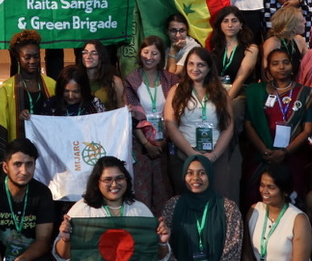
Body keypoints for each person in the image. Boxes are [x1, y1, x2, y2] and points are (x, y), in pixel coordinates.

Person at [241, 48, 312, 204]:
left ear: (292, 65)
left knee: (291, 201)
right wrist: (263, 150)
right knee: (256, 201)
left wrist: (285, 152)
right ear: (268, 69)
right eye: (275, 63)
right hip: (261, 156)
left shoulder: (306, 93)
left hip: (293, 157)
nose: (281, 67)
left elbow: (308, 129)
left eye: (286, 62)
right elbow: (248, 125)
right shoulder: (255, 92)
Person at [164, 48, 235, 199]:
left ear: (209, 67)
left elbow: (228, 126)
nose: (195, 69)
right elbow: (171, 125)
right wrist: (191, 153)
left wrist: (214, 155)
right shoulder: (175, 91)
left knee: (217, 200)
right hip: (185, 155)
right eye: (191, 64)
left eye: (200, 65)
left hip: (216, 155)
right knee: (186, 201)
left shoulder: (221, 92)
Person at [124, 35, 177, 216]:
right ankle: (143, 229)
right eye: (146, 52)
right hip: (140, 144)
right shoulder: (131, 79)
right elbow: (131, 116)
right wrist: (147, 144)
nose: (149, 56)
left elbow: (176, 113)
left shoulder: (171, 80)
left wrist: (164, 141)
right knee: (142, 191)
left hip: (166, 142)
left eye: (154, 53)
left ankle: (165, 235)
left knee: (165, 189)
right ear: (140, 53)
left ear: (161, 56)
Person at [0, 30, 56, 141]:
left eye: (36, 56)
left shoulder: (52, 85)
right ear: (18, 58)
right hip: (19, 147)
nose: (33, 61)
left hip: (47, 145)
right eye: (27, 57)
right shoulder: (7, 88)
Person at [208, 6, 259, 101]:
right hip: (217, 91)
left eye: (234, 21)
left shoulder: (251, 48)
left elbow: (240, 79)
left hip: (240, 93)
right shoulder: (215, 47)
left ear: (241, 25)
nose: (230, 25)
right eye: (225, 21)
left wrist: (226, 101)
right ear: (220, 25)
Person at [76, 40, 125, 110]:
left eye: (94, 53)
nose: (88, 56)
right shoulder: (76, 79)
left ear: (101, 57)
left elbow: (121, 108)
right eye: (85, 52)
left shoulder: (115, 81)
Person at [164, 12, 200, 77]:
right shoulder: (165, 45)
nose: (178, 35)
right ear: (167, 31)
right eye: (173, 30)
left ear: (187, 31)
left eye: (182, 30)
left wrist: (172, 51)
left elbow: (172, 75)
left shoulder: (193, 47)